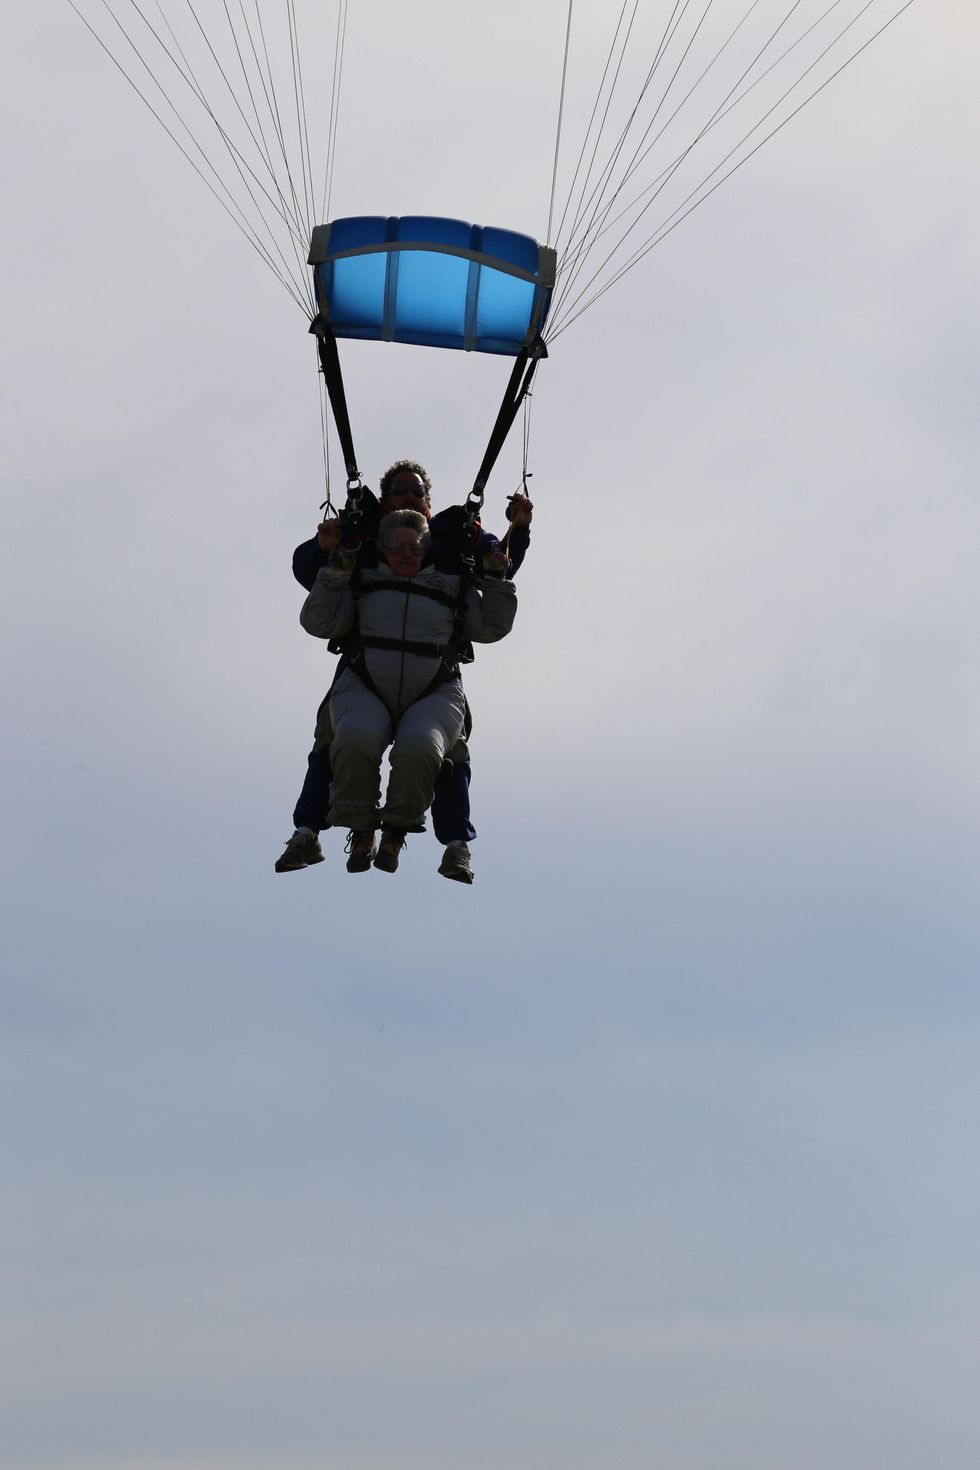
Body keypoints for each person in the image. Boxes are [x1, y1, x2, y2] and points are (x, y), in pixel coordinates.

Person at [276, 460, 532, 881]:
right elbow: (309, 575)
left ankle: (408, 831)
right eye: (399, 491)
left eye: (416, 492)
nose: (408, 497)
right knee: (348, 740)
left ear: (429, 506)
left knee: (428, 750)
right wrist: (331, 554)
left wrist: (516, 532)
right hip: (366, 675)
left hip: (433, 680)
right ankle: (349, 827)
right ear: (384, 503)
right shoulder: (360, 547)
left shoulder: (456, 550)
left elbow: (498, 565)